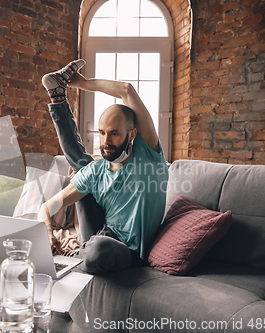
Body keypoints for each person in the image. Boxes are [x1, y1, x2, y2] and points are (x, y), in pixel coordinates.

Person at [38, 59, 169, 274]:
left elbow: (126, 90)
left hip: (127, 251)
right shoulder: (96, 170)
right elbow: (46, 207)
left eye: (115, 134)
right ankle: (57, 96)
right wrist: (49, 233)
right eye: (102, 132)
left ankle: (75, 258)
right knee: (83, 170)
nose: (106, 141)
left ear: (132, 135)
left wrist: (82, 83)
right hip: (100, 234)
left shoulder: (148, 157)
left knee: (99, 248)